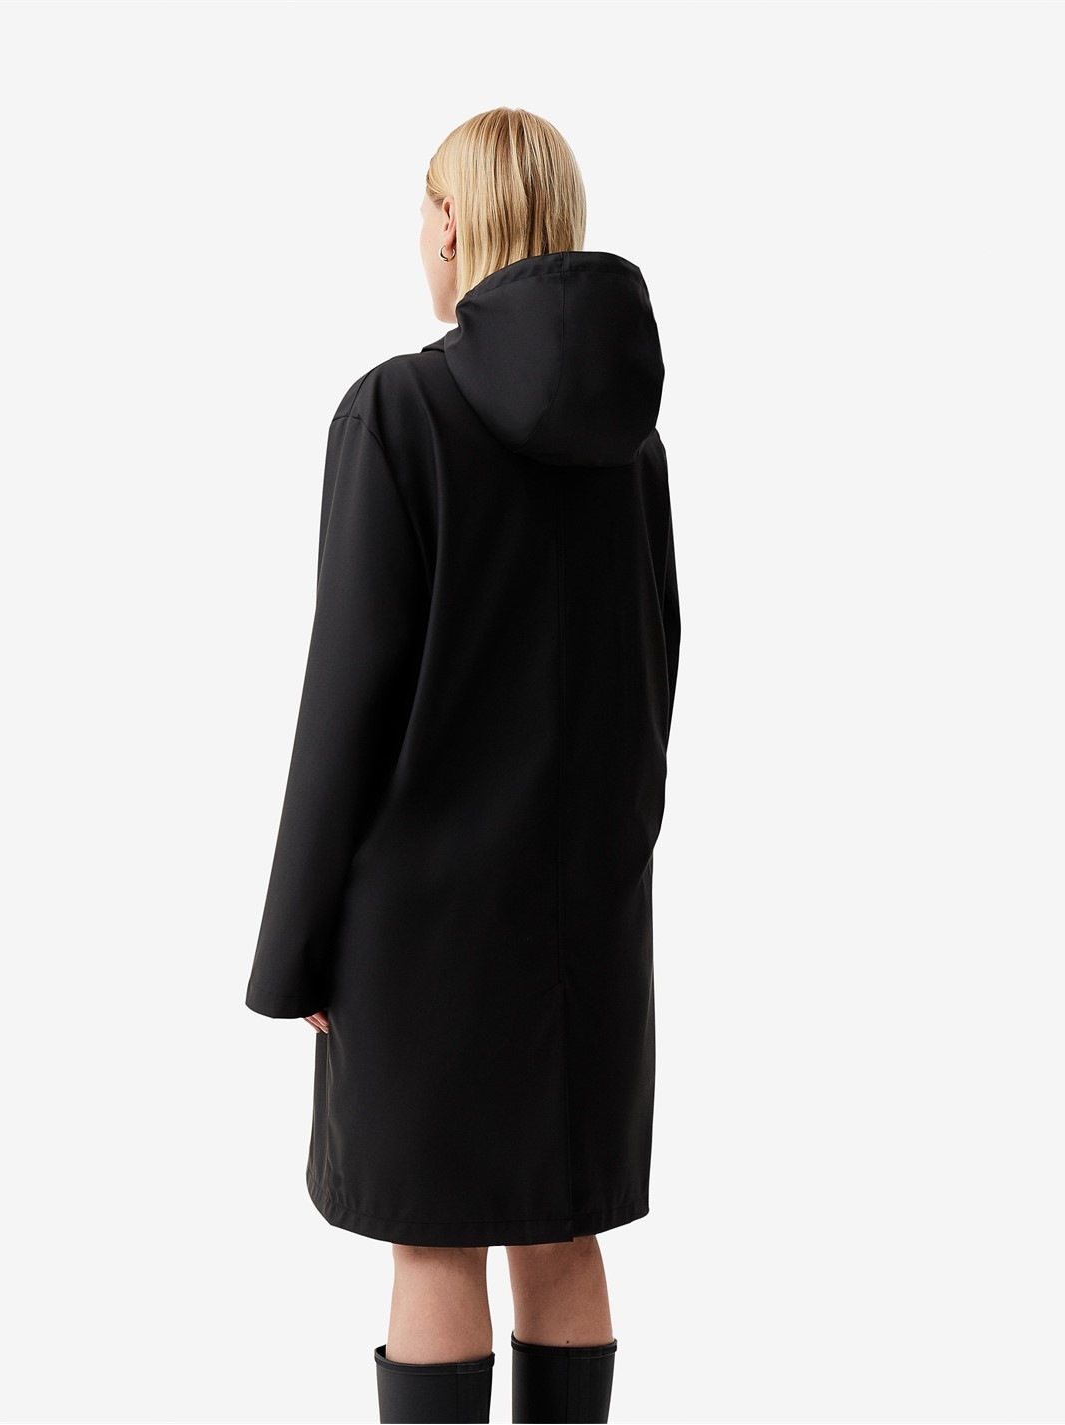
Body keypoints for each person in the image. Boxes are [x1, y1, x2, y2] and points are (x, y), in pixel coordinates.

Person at [244, 106, 680, 1424]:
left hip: (420, 933)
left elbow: (346, 701)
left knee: (435, 1242)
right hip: (583, 926)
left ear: (450, 224)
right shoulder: (635, 444)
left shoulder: (398, 412)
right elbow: (652, 673)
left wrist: (296, 947)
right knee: (559, 1226)